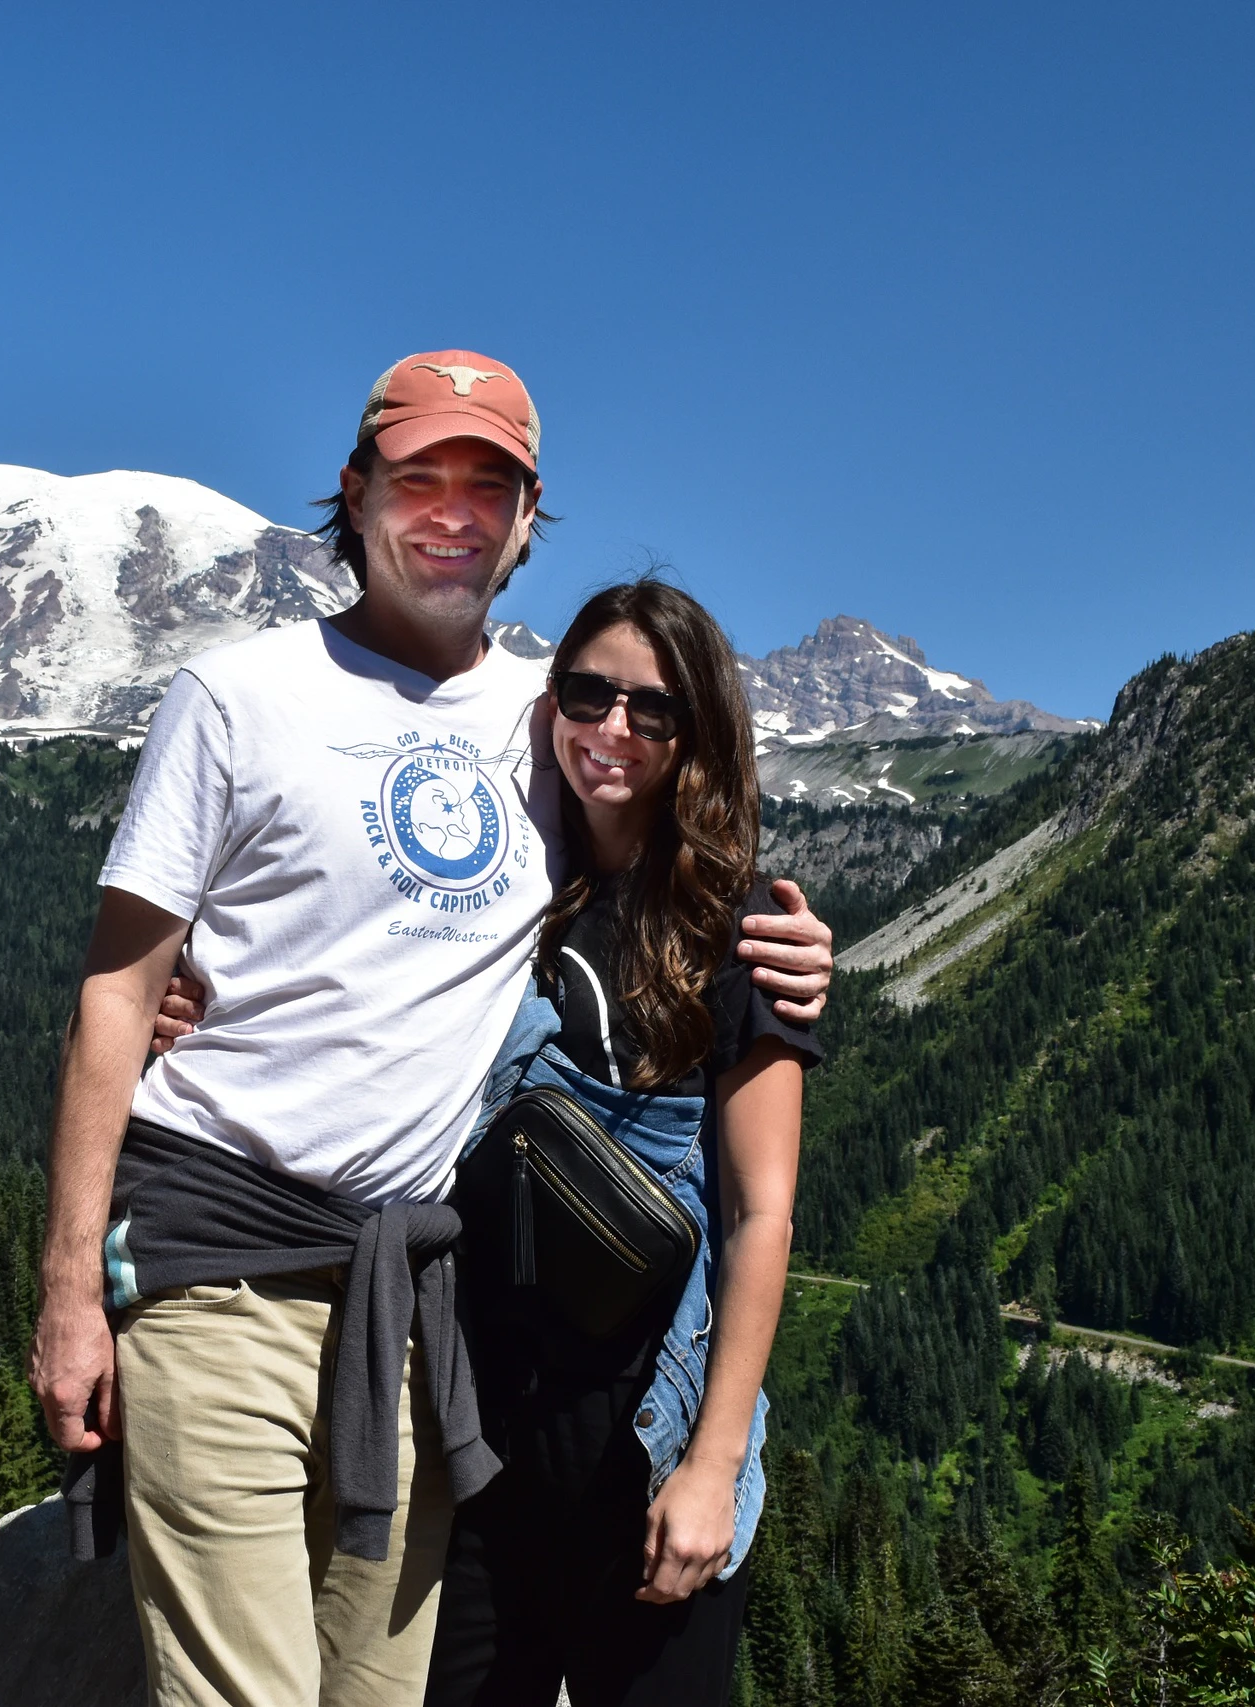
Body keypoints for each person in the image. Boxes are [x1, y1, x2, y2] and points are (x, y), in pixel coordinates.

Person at [30, 350, 834, 1707]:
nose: (454, 511)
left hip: (416, 1316)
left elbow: (655, 859)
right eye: (419, 478)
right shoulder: (239, 694)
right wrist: (68, 1290)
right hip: (221, 1261)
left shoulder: (541, 724)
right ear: (354, 493)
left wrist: (789, 954)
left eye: (490, 486)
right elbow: (119, 986)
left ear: (527, 524)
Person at [424, 580, 812, 1707]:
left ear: (697, 733)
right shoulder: (499, 887)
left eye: (653, 709)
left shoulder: (742, 931)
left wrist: (713, 1465)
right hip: (485, 1426)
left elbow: (761, 1215)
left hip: (646, 1431)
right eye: (588, 694)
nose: (613, 728)